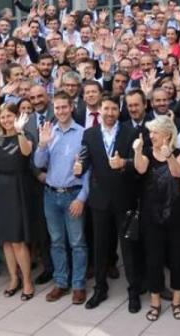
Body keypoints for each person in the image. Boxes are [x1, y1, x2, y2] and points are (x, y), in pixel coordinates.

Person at [78, 95, 142, 312]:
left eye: (114, 109)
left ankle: (134, 291)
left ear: (119, 110)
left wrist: (125, 163)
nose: (110, 113)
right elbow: (85, 160)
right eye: (106, 109)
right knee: (100, 247)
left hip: (124, 199)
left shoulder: (131, 132)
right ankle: (100, 288)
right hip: (99, 200)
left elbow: (140, 165)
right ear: (100, 109)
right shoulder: (90, 134)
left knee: (129, 249)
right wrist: (79, 168)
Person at [133, 115, 180, 322]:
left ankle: (177, 301)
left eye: (155, 132)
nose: (151, 136)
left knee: (177, 259)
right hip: (152, 215)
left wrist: (169, 156)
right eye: (150, 132)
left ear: (167, 134)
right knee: (154, 260)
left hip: (176, 215)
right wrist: (137, 151)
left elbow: (178, 172)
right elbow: (140, 168)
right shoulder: (147, 151)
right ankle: (155, 302)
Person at [34, 92, 89, 305]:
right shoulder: (50, 132)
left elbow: (88, 171)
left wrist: (82, 198)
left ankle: (78, 285)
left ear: (71, 107)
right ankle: (61, 282)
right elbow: (39, 162)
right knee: (56, 242)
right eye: (57, 108)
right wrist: (42, 144)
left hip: (73, 195)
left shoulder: (83, 134)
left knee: (77, 243)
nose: (61, 111)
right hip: (50, 195)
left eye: (64, 107)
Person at [0, 103, 36, 301]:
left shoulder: (24, 135)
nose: (6, 120)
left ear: (16, 117)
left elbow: (26, 153)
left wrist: (20, 131)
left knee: (17, 240)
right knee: (5, 239)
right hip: (0, 188)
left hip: (17, 188)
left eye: (9, 116)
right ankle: (13, 278)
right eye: (3, 117)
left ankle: (27, 282)